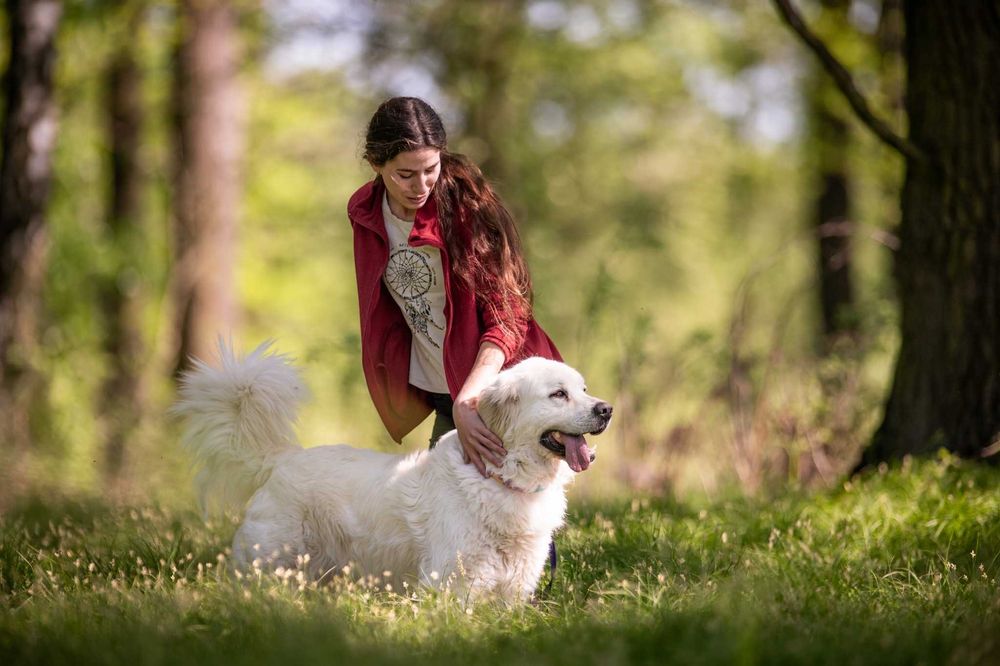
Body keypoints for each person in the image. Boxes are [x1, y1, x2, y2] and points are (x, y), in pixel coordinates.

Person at [347, 96, 562, 477]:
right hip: (443, 388)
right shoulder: (365, 212)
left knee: (509, 502)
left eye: (431, 169)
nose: (421, 185)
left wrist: (471, 398)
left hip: (505, 390)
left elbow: (508, 316)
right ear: (376, 164)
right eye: (405, 174)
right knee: (449, 502)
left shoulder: (467, 210)